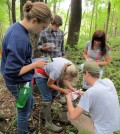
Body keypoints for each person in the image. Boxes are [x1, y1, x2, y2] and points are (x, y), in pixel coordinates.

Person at [1, 1, 52, 133]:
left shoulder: (18, 28)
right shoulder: (19, 38)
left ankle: (24, 127)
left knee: (30, 102)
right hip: (17, 82)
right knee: (23, 111)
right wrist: (35, 64)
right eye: (43, 27)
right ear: (34, 20)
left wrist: (34, 61)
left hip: (23, 80)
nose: (42, 31)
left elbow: (18, 59)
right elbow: (12, 71)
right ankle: (22, 130)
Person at [66, 61, 120, 134]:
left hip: (101, 131)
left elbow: (73, 116)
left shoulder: (91, 92)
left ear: (87, 74)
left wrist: (68, 99)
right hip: (115, 128)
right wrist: (83, 94)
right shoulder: (108, 82)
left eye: (83, 74)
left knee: (69, 114)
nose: (83, 76)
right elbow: (100, 95)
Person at [34, 57, 78, 132]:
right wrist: (63, 90)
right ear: (65, 74)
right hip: (41, 73)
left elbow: (65, 79)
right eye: (69, 78)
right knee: (47, 97)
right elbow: (49, 84)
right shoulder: (57, 71)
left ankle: (47, 109)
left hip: (50, 73)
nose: (69, 80)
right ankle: (48, 123)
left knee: (54, 92)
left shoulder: (70, 67)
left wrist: (71, 88)